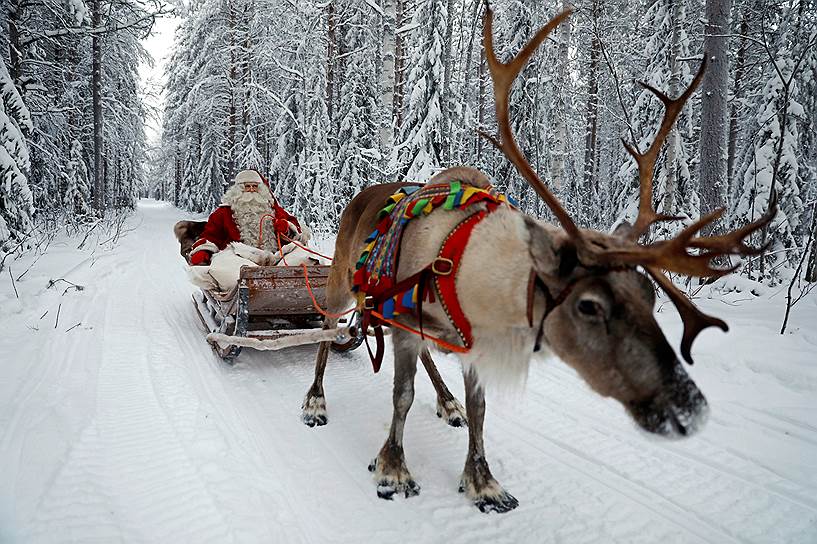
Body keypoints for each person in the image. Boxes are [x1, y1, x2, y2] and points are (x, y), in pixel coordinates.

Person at [187, 170, 316, 291]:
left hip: (275, 258)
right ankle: (251, 290)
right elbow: (212, 235)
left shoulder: (273, 210)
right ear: (238, 190)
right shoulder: (223, 213)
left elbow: (297, 229)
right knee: (235, 273)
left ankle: (310, 288)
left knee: (305, 257)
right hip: (239, 257)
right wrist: (204, 251)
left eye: (255, 187)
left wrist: (286, 228)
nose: (251, 191)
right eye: (247, 187)